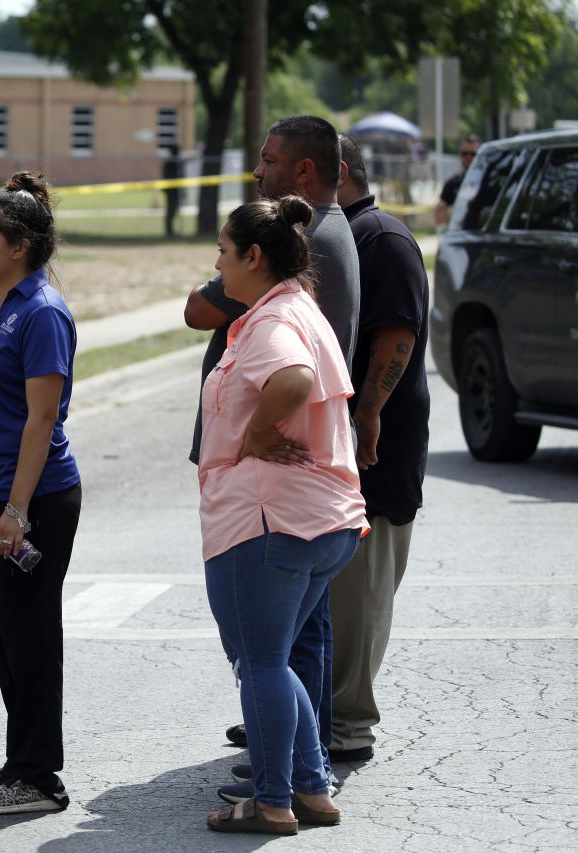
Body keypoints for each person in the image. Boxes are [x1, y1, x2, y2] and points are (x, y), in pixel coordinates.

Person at [184, 116, 360, 788]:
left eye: (224, 252)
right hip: (318, 519)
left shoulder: (275, 319)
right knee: (281, 657)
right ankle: (309, 782)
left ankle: (274, 794)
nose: (219, 265)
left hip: (268, 522)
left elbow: (292, 377)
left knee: (259, 660)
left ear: (254, 257)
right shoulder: (296, 303)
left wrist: (258, 430)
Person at [0, 172, 82, 816]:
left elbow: (41, 420)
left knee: (30, 638)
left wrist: (14, 510)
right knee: (7, 639)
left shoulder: (42, 313)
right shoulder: (4, 305)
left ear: (20, 246)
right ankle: (19, 766)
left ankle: (39, 778)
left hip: (34, 501)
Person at [330, 135, 430, 763]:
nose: (261, 173)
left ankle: (347, 724)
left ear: (331, 172)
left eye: (274, 162)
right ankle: (305, 707)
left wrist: (367, 412)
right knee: (321, 593)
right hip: (327, 452)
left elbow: (396, 335)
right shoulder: (326, 236)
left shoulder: (381, 239)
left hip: (375, 452)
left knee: (360, 594)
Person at [434, 134, 481, 226]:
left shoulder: (491, 182)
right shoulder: (452, 184)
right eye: (464, 153)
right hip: (459, 235)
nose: (468, 157)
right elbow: (439, 218)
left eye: (473, 154)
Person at [162, 145, 182, 237]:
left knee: (174, 210)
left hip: (176, 190)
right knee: (171, 210)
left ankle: (171, 230)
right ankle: (169, 231)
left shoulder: (176, 162)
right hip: (171, 191)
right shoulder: (170, 163)